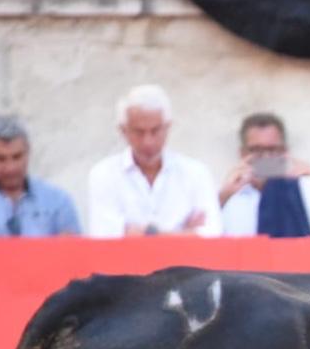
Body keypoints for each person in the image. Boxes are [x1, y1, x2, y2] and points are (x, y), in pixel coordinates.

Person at [87, 84, 221, 237]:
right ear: (123, 131)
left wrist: (136, 232)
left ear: (168, 127)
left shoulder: (195, 173)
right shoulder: (104, 174)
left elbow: (212, 233)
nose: (148, 142)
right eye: (139, 132)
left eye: (155, 131)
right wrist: (182, 234)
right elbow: (103, 234)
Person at [217, 112, 310, 236]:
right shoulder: (228, 196)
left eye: (272, 150)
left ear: (285, 152)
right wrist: (221, 199)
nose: (265, 157)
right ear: (243, 154)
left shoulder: (299, 189)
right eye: (256, 150)